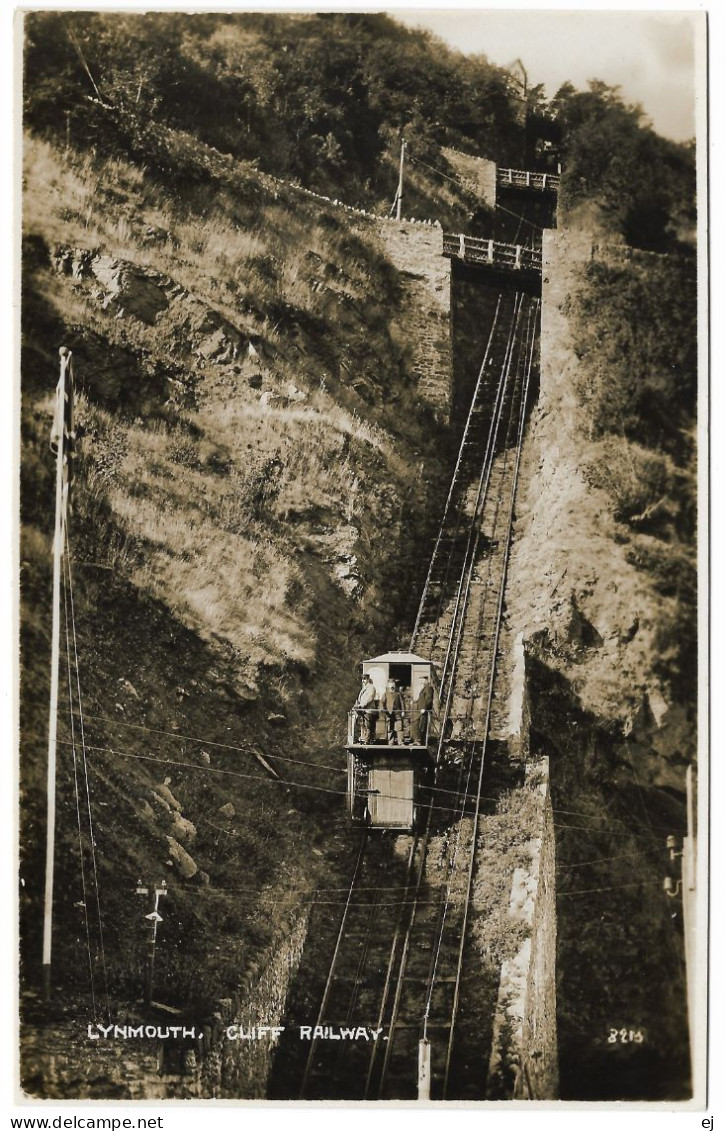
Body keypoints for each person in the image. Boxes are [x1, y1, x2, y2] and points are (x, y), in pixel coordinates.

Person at [379, 678, 404, 745]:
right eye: (390, 685)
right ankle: (391, 742)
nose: (392, 687)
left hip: (397, 713)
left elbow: (402, 703)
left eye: (393, 685)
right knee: (390, 728)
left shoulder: (398, 694)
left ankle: (400, 742)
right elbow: (382, 702)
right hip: (389, 713)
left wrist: (403, 711)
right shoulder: (386, 694)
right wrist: (382, 708)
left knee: (399, 728)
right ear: (388, 686)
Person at [411, 675, 434, 745]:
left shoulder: (428, 688)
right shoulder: (423, 688)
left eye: (422, 680)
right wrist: (415, 702)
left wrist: (425, 708)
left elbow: (428, 699)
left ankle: (420, 741)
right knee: (416, 723)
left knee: (422, 725)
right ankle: (417, 740)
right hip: (419, 710)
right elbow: (421, 699)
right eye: (420, 680)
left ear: (426, 680)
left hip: (423, 710)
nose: (421, 682)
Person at [354, 674, 376, 743]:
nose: (363, 681)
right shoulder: (364, 688)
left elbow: (370, 698)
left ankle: (367, 740)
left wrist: (362, 705)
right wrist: (357, 705)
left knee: (368, 725)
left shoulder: (371, 688)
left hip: (368, 710)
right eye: (363, 679)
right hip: (362, 710)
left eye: (365, 679)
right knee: (363, 725)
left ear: (368, 679)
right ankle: (364, 739)